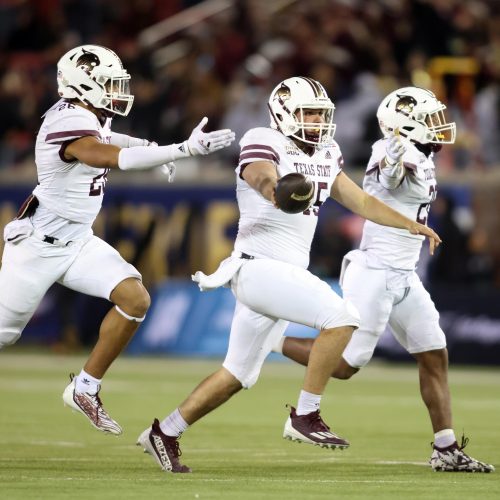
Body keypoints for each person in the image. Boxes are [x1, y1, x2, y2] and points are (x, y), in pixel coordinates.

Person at [136, 77, 442, 473]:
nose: (316, 121)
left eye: (321, 114)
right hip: (258, 267)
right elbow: (259, 174)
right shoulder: (264, 137)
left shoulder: (326, 150)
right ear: (283, 113)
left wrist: (409, 224)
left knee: (237, 374)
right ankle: (305, 414)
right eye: (309, 113)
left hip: (281, 275)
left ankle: (165, 432)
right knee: (343, 317)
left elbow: (361, 200)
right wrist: (276, 191)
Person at [0, 45, 235, 435]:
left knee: (135, 298)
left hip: (77, 241)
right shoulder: (67, 120)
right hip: (38, 245)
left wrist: (149, 147)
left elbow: (113, 138)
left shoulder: (89, 114)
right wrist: (180, 149)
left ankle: (85, 388)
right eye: (107, 83)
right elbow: (105, 155)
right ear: (82, 84)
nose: (114, 91)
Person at [275, 87, 495, 473]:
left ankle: (444, 448)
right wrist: (393, 164)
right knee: (344, 366)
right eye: (429, 119)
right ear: (404, 123)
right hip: (374, 273)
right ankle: (271, 340)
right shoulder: (389, 149)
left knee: (434, 353)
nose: (438, 126)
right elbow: (387, 180)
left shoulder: (423, 154)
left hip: (405, 275)